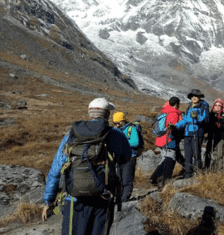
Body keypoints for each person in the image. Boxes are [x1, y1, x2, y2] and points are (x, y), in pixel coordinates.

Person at [41, 98, 132, 235]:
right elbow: (126, 157)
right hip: (103, 199)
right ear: (107, 115)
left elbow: (56, 170)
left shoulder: (71, 134)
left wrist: (48, 201)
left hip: (74, 199)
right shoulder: (115, 135)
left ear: (90, 114)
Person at [149, 97, 184, 186]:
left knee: (167, 159)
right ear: (176, 104)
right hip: (169, 139)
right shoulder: (174, 113)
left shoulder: (165, 111)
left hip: (161, 139)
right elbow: (173, 127)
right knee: (169, 159)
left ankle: (155, 178)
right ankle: (165, 180)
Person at [175, 89, 209, 179]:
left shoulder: (203, 107)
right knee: (188, 155)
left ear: (199, 97)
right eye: (192, 96)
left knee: (196, 154)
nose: (193, 98)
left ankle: (197, 174)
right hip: (187, 134)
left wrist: (197, 117)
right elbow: (185, 120)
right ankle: (188, 174)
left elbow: (205, 119)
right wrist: (176, 126)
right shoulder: (189, 107)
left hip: (197, 133)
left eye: (196, 96)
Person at [113, 111, 142, 202]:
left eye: (118, 122)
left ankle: (124, 200)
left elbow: (135, 142)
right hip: (119, 158)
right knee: (119, 180)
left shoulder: (131, 129)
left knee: (127, 180)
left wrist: (122, 143)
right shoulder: (117, 130)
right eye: (115, 123)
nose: (117, 125)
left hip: (130, 158)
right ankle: (119, 199)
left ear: (123, 121)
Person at [205, 98, 224, 171]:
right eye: (216, 105)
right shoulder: (210, 114)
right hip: (211, 136)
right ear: (214, 105)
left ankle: (219, 170)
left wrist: (220, 125)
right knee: (208, 152)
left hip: (220, 137)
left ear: (221, 106)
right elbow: (206, 125)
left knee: (219, 154)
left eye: (219, 105)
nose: (217, 106)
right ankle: (207, 168)